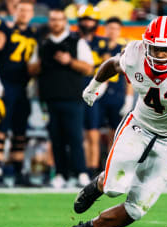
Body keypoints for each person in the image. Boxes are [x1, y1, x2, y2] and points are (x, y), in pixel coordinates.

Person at [63, 16, 167, 227]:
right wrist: (95, 85)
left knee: (137, 209)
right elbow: (112, 64)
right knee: (113, 188)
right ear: (146, 45)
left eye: (165, 50)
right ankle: (98, 184)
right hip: (138, 125)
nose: (159, 55)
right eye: (155, 48)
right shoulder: (134, 52)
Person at [37, 9, 94, 188]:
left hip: (73, 97)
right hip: (51, 98)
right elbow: (32, 68)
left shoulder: (77, 42)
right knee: (56, 138)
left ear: (65, 21)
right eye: (52, 19)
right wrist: (43, 63)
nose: (55, 23)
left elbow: (89, 68)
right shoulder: (43, 44)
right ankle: (60, 173)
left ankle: (81, 172)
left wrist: (69, 61)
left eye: (58, 19)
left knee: (75, 136)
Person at [0, 0, 39, 188]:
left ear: (32, 14)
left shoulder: (34, 34)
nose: (24, 13)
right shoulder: (3, 27)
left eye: (28, 10)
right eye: (21, 10)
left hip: (23, 86)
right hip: (5, 84)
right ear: (14, 11)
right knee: (0, 130)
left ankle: (18, 172)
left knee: (20, 132)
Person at [78, 5, 109, 180]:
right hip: (75, 89)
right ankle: (77, 168)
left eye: (90, 20)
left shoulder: (101, 43)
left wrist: (100, 86)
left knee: (93, 132)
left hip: (94, 91)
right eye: (84, 20)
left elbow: (107, 66)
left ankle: (91, 170)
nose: (87, 23)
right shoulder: (74, 40)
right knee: (75, 133)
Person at [97, 17, 133, 159]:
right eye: (110, 28)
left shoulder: (124, 50)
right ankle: (94, 165)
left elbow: (128, 77)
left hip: (117, 94)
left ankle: (110, 164)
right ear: (105, 29)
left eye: (116, 29)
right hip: (99, 94)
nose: (112, 31)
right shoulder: (98, 46)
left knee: (115, 132)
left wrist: (129, 98)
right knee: (93, 131)